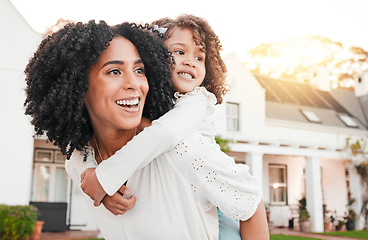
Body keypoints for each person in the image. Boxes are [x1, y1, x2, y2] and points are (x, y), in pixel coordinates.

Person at [78, 15, 269, 239]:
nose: (190, 62)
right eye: (179, 52)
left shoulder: (196, 100)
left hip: (215, 205)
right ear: (154, 55)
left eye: (199, 57)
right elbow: (82, 146)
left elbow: (164, 133)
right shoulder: (144, 100)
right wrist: (96, 179)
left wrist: (104, 179)